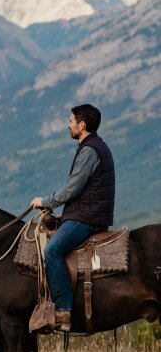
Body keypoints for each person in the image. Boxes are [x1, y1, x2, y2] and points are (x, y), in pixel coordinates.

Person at [30, 104, 115, 332]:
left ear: (82, 125)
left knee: (52, 251)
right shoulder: (95, 146)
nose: (68, 124)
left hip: (87, 218)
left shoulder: (89, 151)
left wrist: (44, 202)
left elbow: (72, 189)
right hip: (88, 212)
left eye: (70, 120)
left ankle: (63, 312)